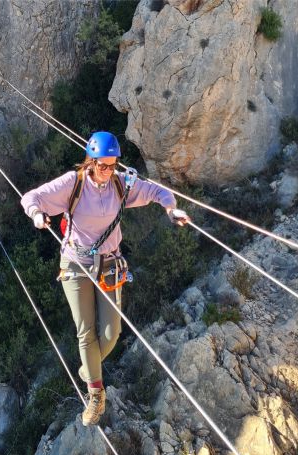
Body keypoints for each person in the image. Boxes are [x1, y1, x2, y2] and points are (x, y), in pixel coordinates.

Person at [21, 131, 190, 426]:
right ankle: (96, 396)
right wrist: (37, 214)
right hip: (75, 263)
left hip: (109, 264)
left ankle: (89, 369)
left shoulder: (121, 186)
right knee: (86, 331)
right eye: (103, 165)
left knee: (112, 334)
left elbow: (155, 192)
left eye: (113, 166)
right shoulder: (72, 184)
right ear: (91, 161)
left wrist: (171, 208)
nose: (108, 171)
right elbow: (31, 197)